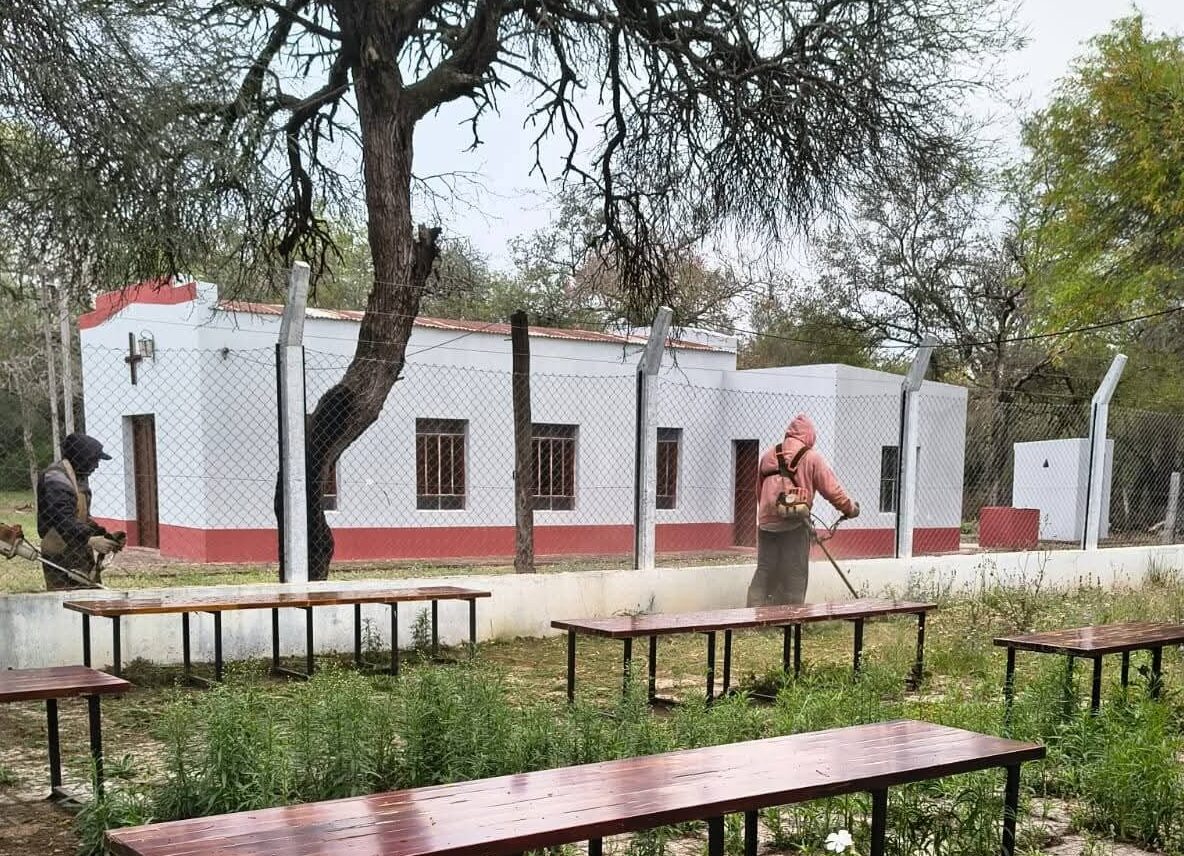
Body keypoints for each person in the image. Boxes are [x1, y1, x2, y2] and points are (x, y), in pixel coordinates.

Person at [748, 413, 859, 607]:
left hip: (766, 525)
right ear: (810, 436)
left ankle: (752, 614)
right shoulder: (811, 458)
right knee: (795, 573)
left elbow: (759, 491)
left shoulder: (767, 456)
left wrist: (767, 515)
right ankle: (792, 617)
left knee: (765, 570)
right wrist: (850, 509)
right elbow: (832, 490)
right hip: (795, 525)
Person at [37, 432, 124, 590]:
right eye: (94, 460)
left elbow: (81, 518)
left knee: (90, 596)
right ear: (82, 458)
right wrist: (91, 539)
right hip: (60, 552)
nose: (96, 466)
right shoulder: (56, 478)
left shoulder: (78, 477)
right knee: (67, 599)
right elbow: (62, 519)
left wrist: (104, 536)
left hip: (78, 548)